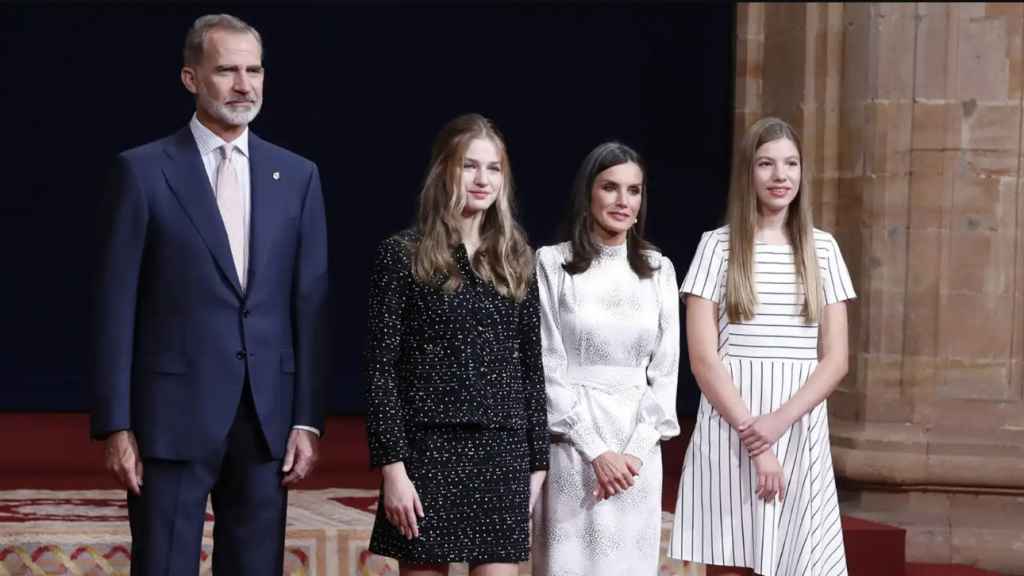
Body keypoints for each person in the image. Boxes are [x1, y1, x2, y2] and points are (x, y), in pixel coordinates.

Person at [90, 14, 328, 575]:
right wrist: (116, 424)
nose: (244, 85)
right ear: (191, 78)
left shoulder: (298, 176)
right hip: (169, 418)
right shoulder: (142, 171)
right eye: (227, 71)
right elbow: (114, 306)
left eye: (254, 70)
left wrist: (307, 419)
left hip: (266, 421)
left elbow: (310, 306)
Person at [363, 113, 548, 576]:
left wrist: (537, 464)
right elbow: (380, 370)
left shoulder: (516, 259)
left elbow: (531, 367)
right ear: (444, 170)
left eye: (493, 168)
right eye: (470, 165)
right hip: (426, 455)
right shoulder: (401, 254)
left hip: (501, 453)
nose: (482, 179)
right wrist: (392, 468)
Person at [669, 117, 855, 576]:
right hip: (732, 424)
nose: (780, 175)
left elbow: (836, 360)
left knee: (798, 559)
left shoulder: (824, 249)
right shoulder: (716, 247)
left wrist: (778, 422)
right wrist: (755, 437)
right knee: (731, 554)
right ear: (748, 173)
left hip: (797, 424)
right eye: (766, 164)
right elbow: (703, 359)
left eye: (791, 164)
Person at [530, 142, 681, 575]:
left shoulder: (659, 269)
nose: (622, 200)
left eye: (633, 190)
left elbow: (666, 370)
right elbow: (547, 363)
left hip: (636, 455)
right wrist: (596, 451)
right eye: (610, 187)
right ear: (588, 193)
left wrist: (633, 453)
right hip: (573, 447)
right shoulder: (553, 263)